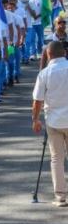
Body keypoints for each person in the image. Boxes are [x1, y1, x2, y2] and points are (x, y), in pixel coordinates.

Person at [32, 42, 68, 207]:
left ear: (48, 54)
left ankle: (60, 196)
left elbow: (38, 100)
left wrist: (35, 119)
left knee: (56, 158)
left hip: (54, 121)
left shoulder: (44, 73)